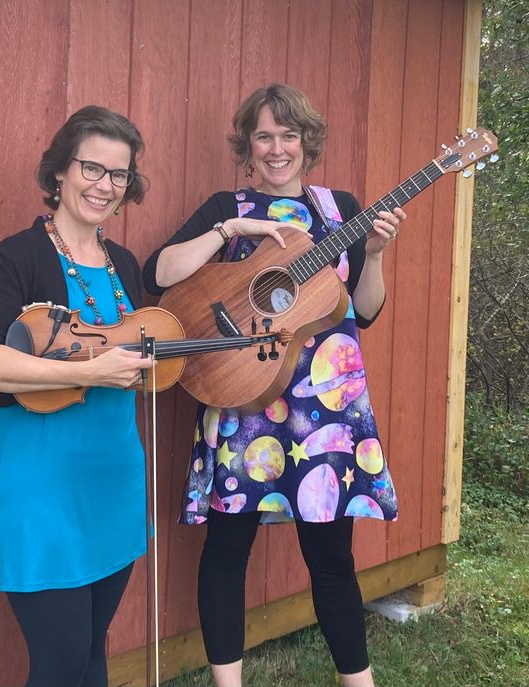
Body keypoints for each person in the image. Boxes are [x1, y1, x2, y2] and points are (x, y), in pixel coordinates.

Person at [143, 83, 405, 687]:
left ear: (308, 142)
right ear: (248, 146)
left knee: (332, 559)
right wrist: (229, 228)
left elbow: (365, 312)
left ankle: (358, 681)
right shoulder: (227, 208)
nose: (277, 148)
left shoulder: (340, 210)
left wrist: (375, 254)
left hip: (327, 407)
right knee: (227, 551)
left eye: (289, 135)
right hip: (244, 398)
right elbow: (159, 273)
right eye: (264, 136)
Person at [0, 106, 154, 687]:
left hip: (113, 478)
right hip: (41, 482)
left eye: (118, 175)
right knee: (60, 663)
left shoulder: (124, 264)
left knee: (90, 656)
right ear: (61, 170)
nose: (104, 185)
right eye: (92, 168)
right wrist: (90, 372)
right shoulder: (20, 256)